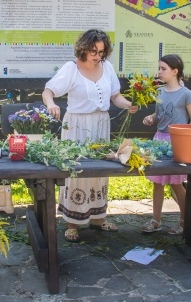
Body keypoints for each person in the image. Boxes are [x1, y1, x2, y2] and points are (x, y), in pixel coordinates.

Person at [42, 29, 138, 242]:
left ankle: (97, 217)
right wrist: (51, 104)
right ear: (84, 47)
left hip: (101, 124)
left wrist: (128, 105)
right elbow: (48, 91)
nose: (97, 56)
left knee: (100, 171)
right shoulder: (71, 68)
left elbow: (115, 96)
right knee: (77, 170)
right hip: (77, 125)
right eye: (94, 51)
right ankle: (72, 222)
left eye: (101, 52)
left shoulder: (107, 67)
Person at [142, 54, 191, 235]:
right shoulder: (160, 92)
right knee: (157, 183)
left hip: (177, 142)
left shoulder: (186, 94)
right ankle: (155, 220)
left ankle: (184, 220)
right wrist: (151, 118)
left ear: (175, 71)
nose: (159, 72)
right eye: (159, 68)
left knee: (176, 183)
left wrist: (188, 137)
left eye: (163, 69)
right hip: (160, 141)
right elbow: (158, 114)